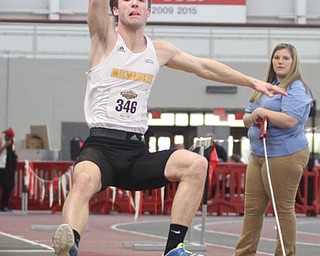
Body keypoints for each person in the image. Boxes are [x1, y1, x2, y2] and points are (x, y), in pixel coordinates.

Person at [51, 0, 287, 255]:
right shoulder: (103, 37)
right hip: (101, 148)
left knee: (196, 165)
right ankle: (69, 244)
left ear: (149, 11)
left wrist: (251, 81)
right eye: (127, 0)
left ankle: (174, 249)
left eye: (141, 1)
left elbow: (204, 67)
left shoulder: (159, 50)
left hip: (136, 152)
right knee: (84, 178)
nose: (134, 3)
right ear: (115, 10)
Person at [235, 43, 313, 256]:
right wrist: (254, 116)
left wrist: (260, 112)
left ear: (293, 62)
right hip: (258, 154)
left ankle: (286, 254)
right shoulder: (264, 86)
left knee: (282, 209)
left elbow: (289, 120)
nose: (280, 61)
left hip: (285, 154)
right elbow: (245, 118)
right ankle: (243, 253)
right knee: (252, 209)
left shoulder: (297, 88)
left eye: (285, 58)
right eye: (276, 57)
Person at [0, 128, 17, 212]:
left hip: (8, 169)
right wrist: (4, 146)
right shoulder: (2, 142)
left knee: (8, 187)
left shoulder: (13, 145)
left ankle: (4, 205)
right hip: (1, 167)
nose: (6, 139)